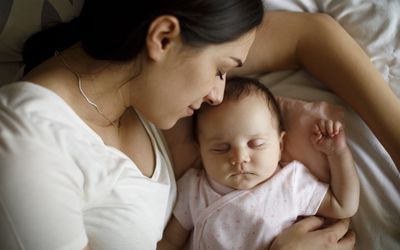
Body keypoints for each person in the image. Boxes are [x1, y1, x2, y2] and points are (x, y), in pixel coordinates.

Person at [0, 0, 397, 249]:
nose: (217, 96)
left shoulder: (138, 85)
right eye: (221, 70)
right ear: (164, 37)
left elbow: (310, 34)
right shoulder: (28, 138)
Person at [157, 77, 360, 250]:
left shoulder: (291, 183)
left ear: (280, 145)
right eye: (221, 148)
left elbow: (343, 206)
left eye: (256, 144)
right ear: (200, 150)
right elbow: (170, 243)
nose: (239, 157)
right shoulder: (194, 188)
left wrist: (338, 154)